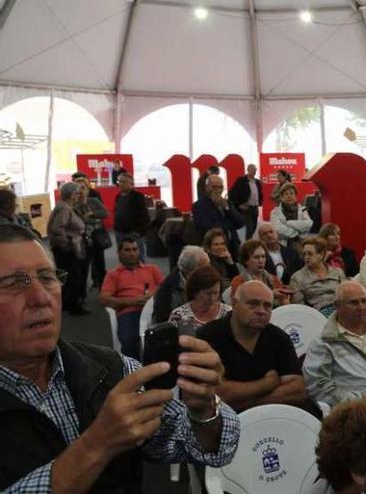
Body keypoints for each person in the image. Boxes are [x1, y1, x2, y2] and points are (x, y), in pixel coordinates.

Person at [0, 224, 239, 491]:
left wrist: (203, 410)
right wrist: (97, 445)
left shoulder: (112, 370)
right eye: (13, 283)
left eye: (47, 278)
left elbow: (212, 448)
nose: (40, 297)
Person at [198, 280, 318, 415]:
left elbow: (297, 390)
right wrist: (266, 384)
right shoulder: (208, 336)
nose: (261, 311)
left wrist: (251, 406)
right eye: (253, 304)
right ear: (234, 303)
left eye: (267, 306)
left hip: (272, 418)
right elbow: (214, 393)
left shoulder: (279, 337)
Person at [100, 236, 164, 359]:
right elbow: (104, 299)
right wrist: (132, 302)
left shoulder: (151, 269)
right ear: (119, 253)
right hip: (129, 312)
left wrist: (151, 296)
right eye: (127, 250)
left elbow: (165, 288)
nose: (132, 253)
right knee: (130, 340)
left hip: (154, 310)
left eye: (135, 249)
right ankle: (133, 371)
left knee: (165, 336)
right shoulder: (113, 274)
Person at [47, 182, 88, 315]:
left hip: (68, 248)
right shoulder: (65, 209)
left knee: (70, 277)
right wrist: (66, 245)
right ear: (71, 195)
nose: (79, 195)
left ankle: (68, 304)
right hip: (67, 250)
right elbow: (57, 229)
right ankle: (72, 306)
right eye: (76, 192)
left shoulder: (65, 207)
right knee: (72, 278)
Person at [152, 245, 210, 324]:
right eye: (204, 268)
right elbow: (165, 323)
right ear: (190, 270)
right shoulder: (167, 292)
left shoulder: (207, 280)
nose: (209, 271)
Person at [290, 237, 346, 317]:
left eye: (310, 254)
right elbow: (300, 307)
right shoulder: (297, 277)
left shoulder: (337, 272)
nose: (306, 257)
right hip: (316, 314)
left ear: (321, 254)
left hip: (340, 308)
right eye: (304, 254)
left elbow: (346, 295)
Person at [193, 174, 244, 259]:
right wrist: (229, 225)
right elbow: (206, 226)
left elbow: (240, 223)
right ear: (207, 188)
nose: (217, 190)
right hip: (213, 248)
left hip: (232, 246)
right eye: (214, 187)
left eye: (220, 187)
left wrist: (227, 209)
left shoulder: (227, 203)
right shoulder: (199, 205)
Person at [168, 264, 231, 332]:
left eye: (216, 293)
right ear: (195, 292)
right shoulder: (179, 316)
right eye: (208, 294)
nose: (212, 298)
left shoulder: (228, 313)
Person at [72, 176, 109, 289]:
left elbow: (105, 213)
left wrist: (92, 214)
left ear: (88, 190)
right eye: (78, 188)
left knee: (99, 264)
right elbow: (77, 222)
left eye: (83, 188)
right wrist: (94, 220)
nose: (81, 191)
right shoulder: (72, 205)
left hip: (97, 237)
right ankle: (81, 293)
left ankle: (102, 287)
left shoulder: (94, 201)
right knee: (82, 266)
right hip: (81, 240)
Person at [229, 238, 290, 305]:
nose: (261, 261)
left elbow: (285, 303)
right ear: (246, 260)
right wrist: (271, 294)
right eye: (256, 257)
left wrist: (284, 298)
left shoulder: (274, 279)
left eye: (263, 257)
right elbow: (238, 305)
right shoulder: (239, 281)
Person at [113, 173, 150, 257]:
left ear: (131, 184)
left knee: (137, 258)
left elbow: (144, 216)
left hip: (133, 233)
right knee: (123, 257)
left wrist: (138, 232)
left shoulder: (138, 197)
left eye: (123, 182)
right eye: (119, 181)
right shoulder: (118, 196)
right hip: (119, 232)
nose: (120, 184)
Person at [270, 182, 312, 248]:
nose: (289, 196)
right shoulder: (275, 212)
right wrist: (296, 233)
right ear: (281, 197)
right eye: (286, 194)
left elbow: (308, 224)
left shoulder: (303, 209)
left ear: (295, 196)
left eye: (292, 193)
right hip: (282, 245)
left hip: (301, 244)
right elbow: (277, 229)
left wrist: (288, 223)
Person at [228, 163, 263, 239]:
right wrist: (239, 205)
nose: (254, 171)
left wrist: (260, 202)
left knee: (254, 227)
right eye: (252, 169)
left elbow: (260, 193)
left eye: (255, 170)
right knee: (249, 229)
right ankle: (248, 245)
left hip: (255, 208)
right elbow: (232, 193)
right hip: (246, 208)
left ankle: (249, 240)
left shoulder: (257, 182)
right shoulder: (241, 180)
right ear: (248, 170)